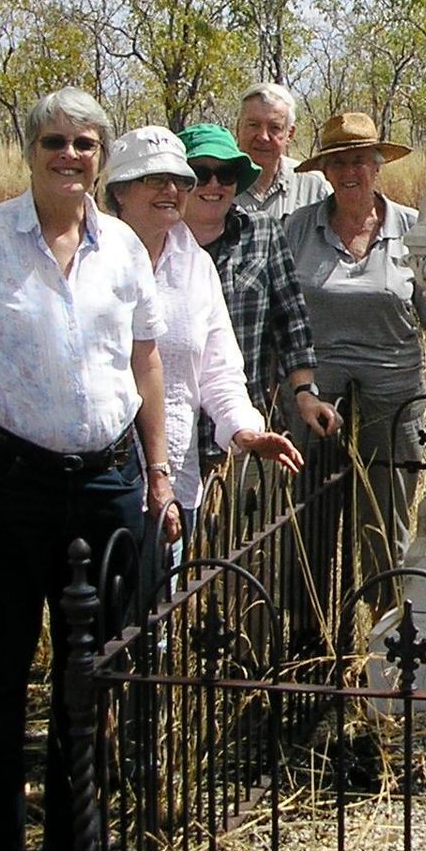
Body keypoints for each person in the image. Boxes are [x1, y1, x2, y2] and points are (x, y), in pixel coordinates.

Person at [0, 88, 179, 851]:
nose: (71, 156)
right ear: (29, 150)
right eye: (56, 142)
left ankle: (79, 841)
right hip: (5, 481)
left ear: (103, 159)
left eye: (86, 144)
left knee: (94, 668)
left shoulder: (126, 251)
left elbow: (146, 364)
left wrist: (159, 472)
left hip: (107, 478)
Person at [103, 126, 303, 545]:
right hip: (100, 481)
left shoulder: (193, 266)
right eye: (155, 179)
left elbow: (219, 371)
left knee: (160, 605)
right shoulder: (92, 260)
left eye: (180, 181)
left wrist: (244, 429)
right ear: (120, 190)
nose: (171, 190)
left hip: (175, 482)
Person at [279, 112, 426, 593]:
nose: (350, 171)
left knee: (385, 521)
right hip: (313, 394)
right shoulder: (297, 229)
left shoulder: (415, 230)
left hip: (395, 391)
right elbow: (280, 313)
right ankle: (313, 634)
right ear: (324, 170)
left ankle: (386, 638)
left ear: (378, 164)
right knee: (310, 517)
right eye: (339, 161)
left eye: (360, 160)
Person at [176, 124, 339, 438]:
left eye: (226, 174)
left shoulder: (262, 232)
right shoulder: (154, 243)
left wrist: (305, 392)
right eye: (200, 173)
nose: (214, 184)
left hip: (249, 425)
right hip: (173, 429)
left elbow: (290, 320)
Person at [235, 82, 331, 218]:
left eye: (274, 127)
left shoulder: (313, 186)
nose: (263, 137)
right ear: (238, 128)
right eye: (253, 125)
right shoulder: (215, 181)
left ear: (290, 134)